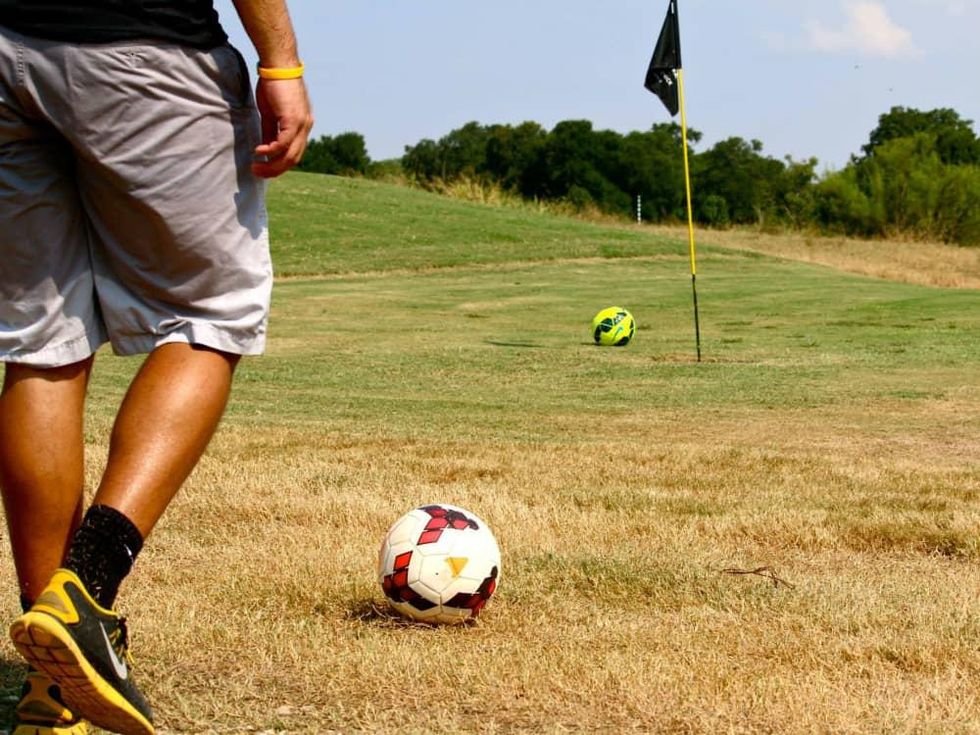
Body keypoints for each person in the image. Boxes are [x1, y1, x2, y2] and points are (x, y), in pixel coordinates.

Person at [0, 1, 312, 733]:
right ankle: (85, 591)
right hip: (143, 44)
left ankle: (52, 684)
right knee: (213, 313)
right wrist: (282, 65)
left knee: (39, 343)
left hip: (8, 51)